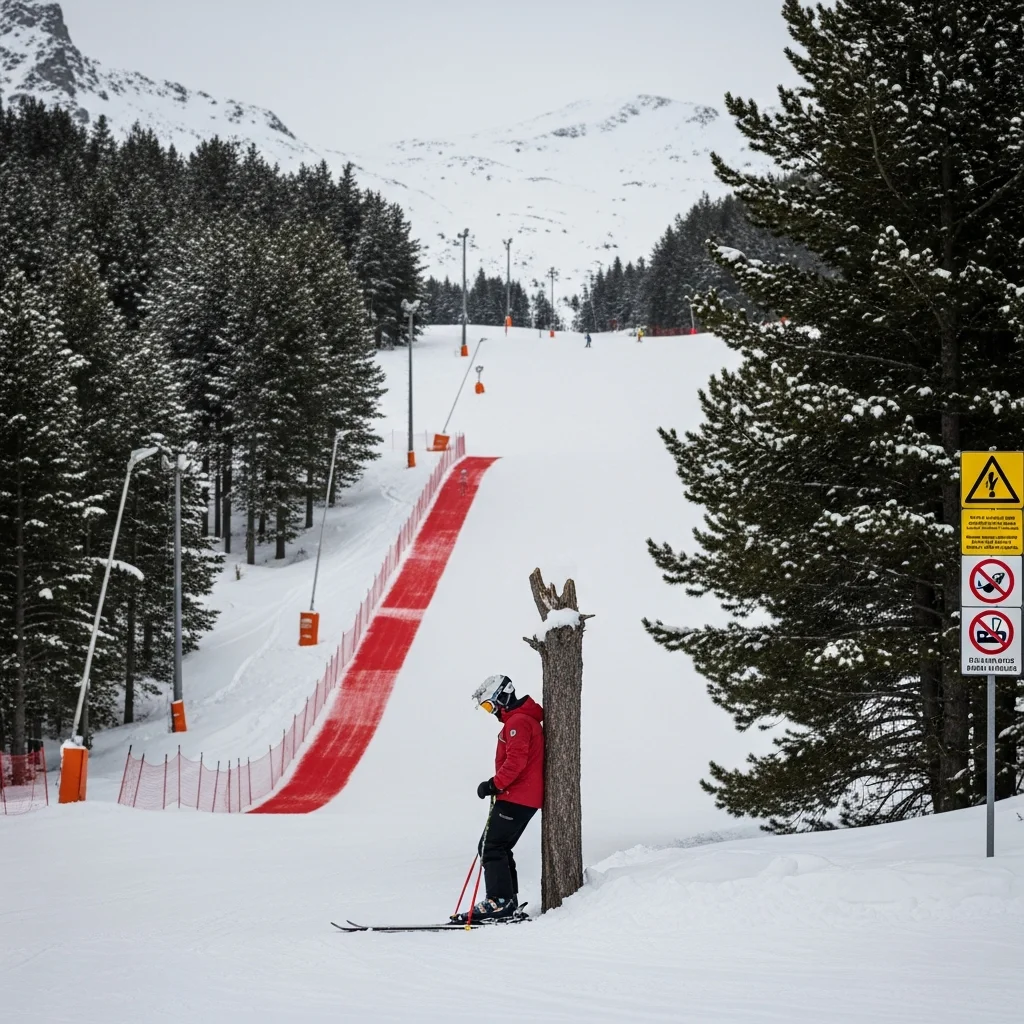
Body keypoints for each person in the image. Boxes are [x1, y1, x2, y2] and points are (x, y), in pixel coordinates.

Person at [452, 675, 544, 922]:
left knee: (490, 846)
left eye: (490, 705)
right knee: (497, 846)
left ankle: (499, 901)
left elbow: (516, 762)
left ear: (504, 696)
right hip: (518, 796)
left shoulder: (519, 722)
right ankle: (506, 900)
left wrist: (494, 784)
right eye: (485, 708)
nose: (490, 712)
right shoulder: (519, 721)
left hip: (518, 796)